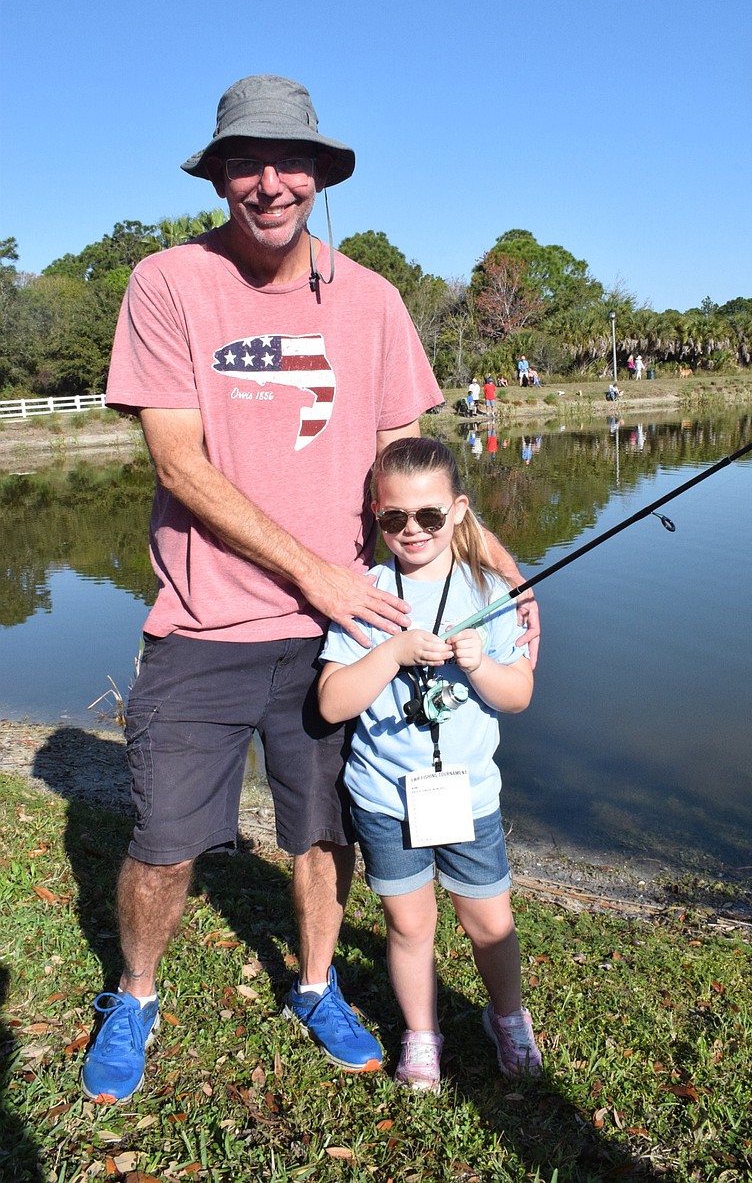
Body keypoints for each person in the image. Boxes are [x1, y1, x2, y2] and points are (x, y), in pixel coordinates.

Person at [81, 73, 540, 1105]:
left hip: (342, 631)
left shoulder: (371, 298)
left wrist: (492, 563)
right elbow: (180, 464)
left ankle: (320, 983)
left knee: (320, 833)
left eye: (290, 162)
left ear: (322, 176)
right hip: (207, 622)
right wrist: (316, 572)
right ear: (221, 177)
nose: (270, 181)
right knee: (160, 839)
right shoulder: (166, 283)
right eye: (246, 161)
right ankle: (137, 994)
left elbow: (405, 458)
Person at [318, 438, 541, 1091]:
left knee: (490, 921)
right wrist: (390, 652)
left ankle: (508, 1017)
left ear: (459, 510)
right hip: (387, 796)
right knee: (409, 923)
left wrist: (480, 664)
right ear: (376, 514)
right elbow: (332, 701)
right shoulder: (364, 596)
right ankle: (421, 1034)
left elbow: (519, 694)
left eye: (429, 516)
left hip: (467, 796)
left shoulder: (491, 590)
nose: (412, 530)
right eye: (394, 518)